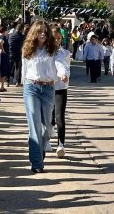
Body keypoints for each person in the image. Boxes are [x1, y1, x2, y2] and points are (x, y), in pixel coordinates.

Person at [21, 20, 69, 173]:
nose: (42, 33)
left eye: (44, 31)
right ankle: (36, 163)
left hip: (48, 89)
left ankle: (39, 152)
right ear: (34, 33)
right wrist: (23, 84)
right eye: (39, 31)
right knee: (34, 124)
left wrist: (63, 74)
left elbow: (60, 63)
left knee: (46, 128)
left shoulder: (53, 49)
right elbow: (24, 68)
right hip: (31, 88)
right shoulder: (28, 49)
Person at [51, 25, 71, 158]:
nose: (56, 41)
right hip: (47, 87)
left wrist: (64, 75)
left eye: (58, 38)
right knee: (48, 117)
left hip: (61, 88)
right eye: (54, 39)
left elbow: (66, 67)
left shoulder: (65, 53)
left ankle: (61, 145)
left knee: (59, 117)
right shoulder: (45, 52)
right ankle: (46, 140)